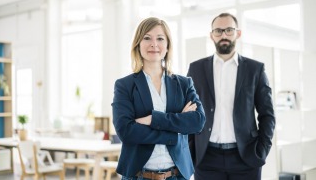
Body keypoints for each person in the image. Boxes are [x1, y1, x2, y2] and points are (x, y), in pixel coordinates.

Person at [112, 17, 206, 180]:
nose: (154, 44)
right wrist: (175, 130)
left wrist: (153, 119)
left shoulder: (184, 84)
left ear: (168, 45)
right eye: (147, 38)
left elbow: (197, 122)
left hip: (177, 175)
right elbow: (126, 131)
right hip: (138, 175)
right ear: (138, 44)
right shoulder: (125, 86)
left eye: (160, 38)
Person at [187, 13, 275, 180]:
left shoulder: (255, 69)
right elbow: (188, 113)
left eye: (229, 30)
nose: (224, 35)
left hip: (246, 157)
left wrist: (262, 150)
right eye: (218, 31)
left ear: (238, 33)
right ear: (211, 35)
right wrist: (192, 149)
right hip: (206, 158)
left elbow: (267, 114)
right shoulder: (196, 69)